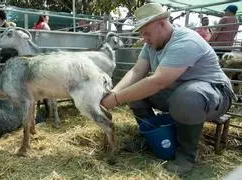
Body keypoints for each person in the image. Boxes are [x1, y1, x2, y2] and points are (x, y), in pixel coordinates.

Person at [101, 3, 235, 175]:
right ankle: (151, 138)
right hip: (179, 92)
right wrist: (114, 92)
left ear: (162, 23)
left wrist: (116, 100)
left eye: (146, 33)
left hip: (215, 94)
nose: (144, 37)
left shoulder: (186, 41)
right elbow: (136, 71)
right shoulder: (150, 44)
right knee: (135, 93)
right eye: (141, 33)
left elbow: (158, 82)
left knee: (187, 97)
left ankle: (186, 156)